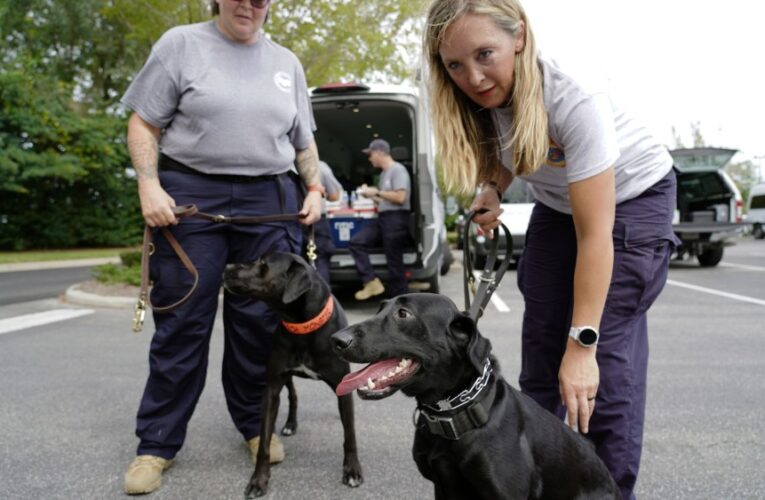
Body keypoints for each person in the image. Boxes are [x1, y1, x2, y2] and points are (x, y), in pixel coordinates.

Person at [424, 1, 681, 498]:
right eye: (455, 64)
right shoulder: (476, 95)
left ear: (519, 36)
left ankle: (606, 490)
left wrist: (582, 345)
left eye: (485, 54)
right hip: (558, 201)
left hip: (631, 200)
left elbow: (595, 236)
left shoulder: (573, 98)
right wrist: (493, 188)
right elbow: (506, 150)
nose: (473, 77)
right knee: (541, 357)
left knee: (599, 362)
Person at [120, 0, 323, 494]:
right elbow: (144, 123)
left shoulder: (286, 63)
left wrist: (314, 188)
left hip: (267, 195)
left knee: (257, 325)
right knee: (183, 322)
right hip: (193, 195)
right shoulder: (180, 45)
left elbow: (303, 143)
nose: (249, 5)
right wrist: (149, 184)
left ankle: (256, 427)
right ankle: (157, 443)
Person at [349, 139, 412, 300]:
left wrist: (376, 191)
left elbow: (400, 197)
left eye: (371, 155)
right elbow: (385, 199)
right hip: (384, 217)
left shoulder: (398, 170)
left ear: (379, 153)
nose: (369, 159)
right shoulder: (384, 174)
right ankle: (371, 282)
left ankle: (402, 302)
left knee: (395, 264)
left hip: (396, 219)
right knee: (357, 242)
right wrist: (370, 195)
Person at [311, 160, 343, 283]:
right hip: (316, 220)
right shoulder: (320, 166)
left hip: (289, 220)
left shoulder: (284, 164)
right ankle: (321, 300)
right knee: (321, 259)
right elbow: (334, 195)